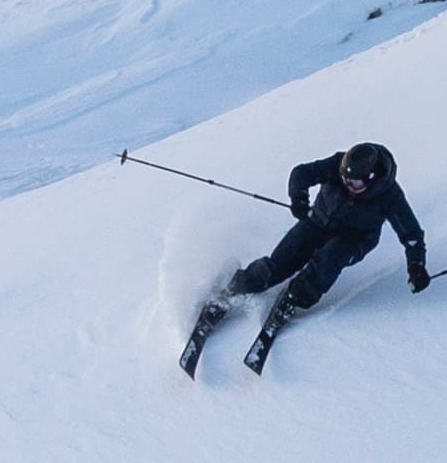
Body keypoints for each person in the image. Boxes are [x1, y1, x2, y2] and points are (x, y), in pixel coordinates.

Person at [183, 142, 428, 373]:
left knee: (328, 260)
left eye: (353, 182)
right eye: (344, 178)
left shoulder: (390, 195)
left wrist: (416, 266)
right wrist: (298, 198)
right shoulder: (338, 163)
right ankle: (234, 287)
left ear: (371, 178)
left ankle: (294, 299)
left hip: (353, 239)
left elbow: (411, 234)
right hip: (318, 222)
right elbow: (301, 173)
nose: (346, 184)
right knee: (279, 263)